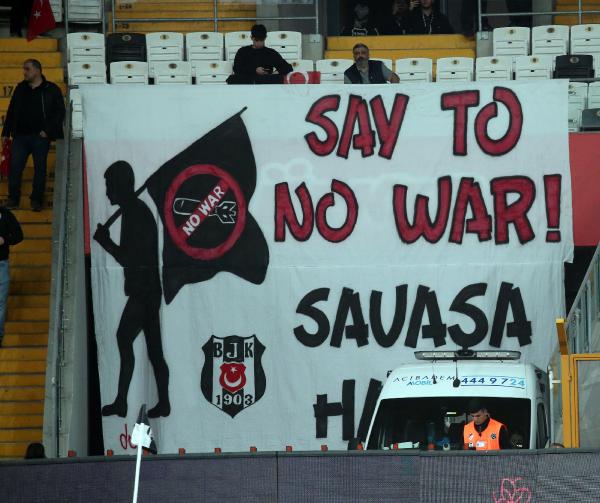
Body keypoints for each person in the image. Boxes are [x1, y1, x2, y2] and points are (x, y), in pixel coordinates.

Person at [93, 161, 170, 418]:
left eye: (109, 185)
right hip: (146, 290)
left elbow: (129, 258)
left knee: (126, 338)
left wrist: (106, 242)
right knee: (152, 349)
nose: (107, 192)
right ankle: (151, 401)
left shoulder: (136, 213)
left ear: (120, 185)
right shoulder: (133, 211)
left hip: (144, 291)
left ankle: (124, 401)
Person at [1, 59, 65, 212]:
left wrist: (47, 131)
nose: (24, 72)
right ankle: (13, 199)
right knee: (15, 168)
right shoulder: (20, 88)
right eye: (24, 69)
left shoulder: (51, 89)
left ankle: (36, 200)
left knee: (40, 169)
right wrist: (5, 133)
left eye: (27, 69)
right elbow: (11, 111)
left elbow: (60, 112)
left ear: (37, 70)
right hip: (20, 136)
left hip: (40, 137)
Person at [227, 24, 293, 85]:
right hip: (248, 80)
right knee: (233, 78)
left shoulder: (270, 53)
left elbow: (288, 67)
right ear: (251, 38)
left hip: (264, 80)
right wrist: (254, 70)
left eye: (261, 40)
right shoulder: (243, 51)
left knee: (276, 77)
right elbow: (237, 69)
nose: (259, 43)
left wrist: (276, 72)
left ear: (265, 38)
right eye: (256, 40)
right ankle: (256, 80)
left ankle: (258, 80)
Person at [0, 206, 23, 348]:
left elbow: (18, 235)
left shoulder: (6, 214)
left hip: (1, 263)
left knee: (0, 302)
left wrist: (4, 240)